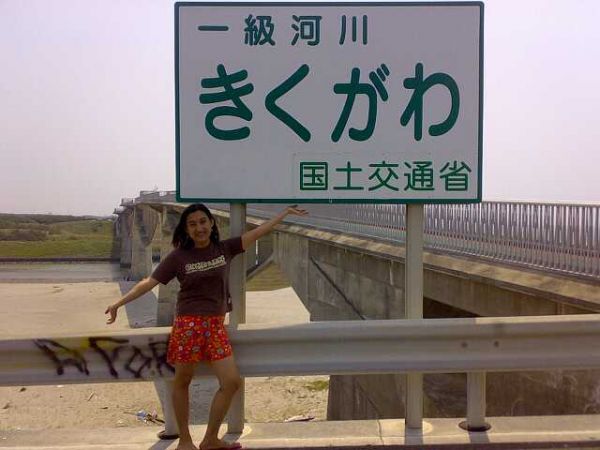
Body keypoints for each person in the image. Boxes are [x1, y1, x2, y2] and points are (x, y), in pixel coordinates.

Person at [105, 203, 307, 450]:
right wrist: (119, 303)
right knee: (182, 381)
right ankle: (185, 441)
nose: (199, 228)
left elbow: (256, 233)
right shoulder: (179, 257)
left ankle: (211, 438)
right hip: (188, 325)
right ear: (186, 230)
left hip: (215, 326)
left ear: (211, 223)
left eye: (202, 222)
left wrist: (283, 214)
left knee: (231, 382)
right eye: (192, 224)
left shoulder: (224, 249)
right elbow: (149, 282)